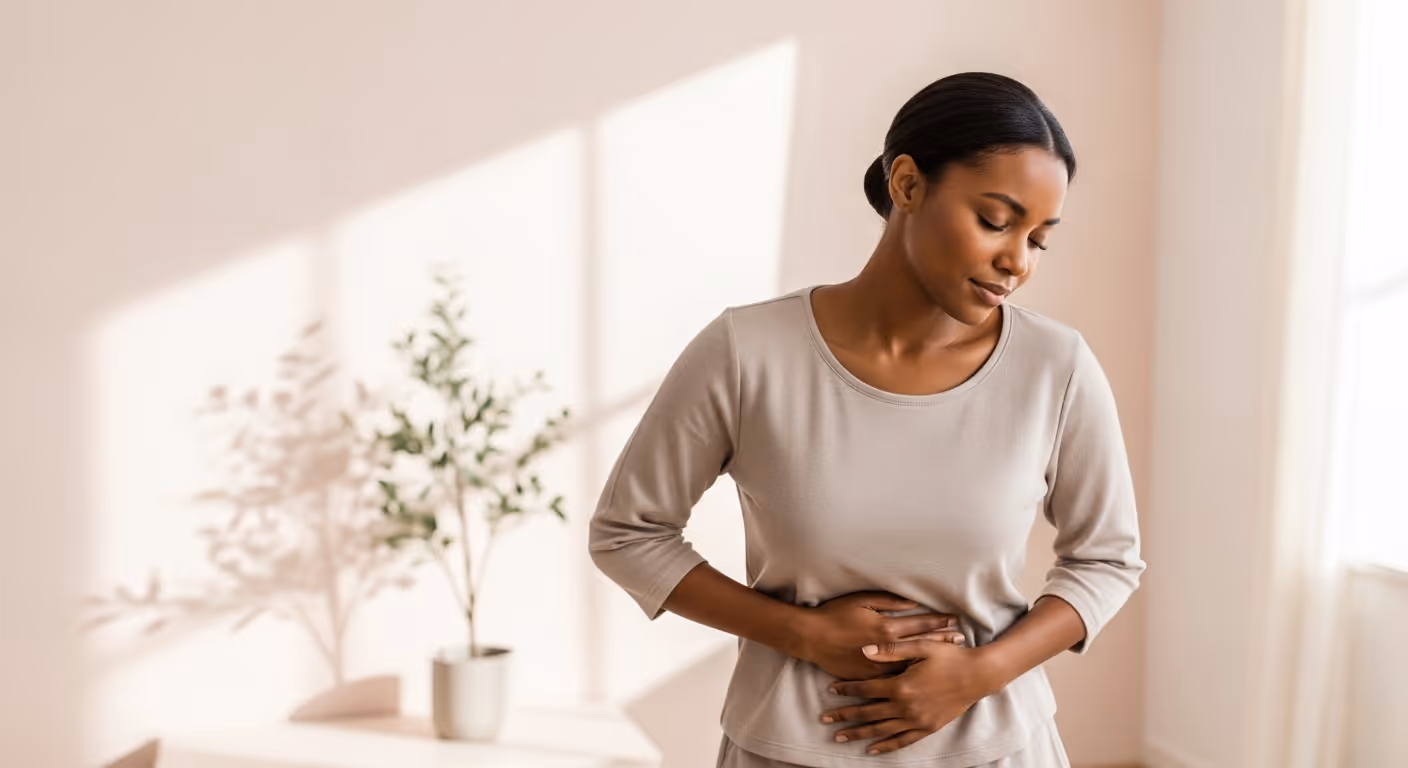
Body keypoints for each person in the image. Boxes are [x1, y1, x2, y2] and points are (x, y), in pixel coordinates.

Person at [588, 71, 1145, 768]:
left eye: (1038, 238)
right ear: (907, 185)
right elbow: (627, 534)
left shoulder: (1054, 366)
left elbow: (1107, 559)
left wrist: (979, 674)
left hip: (998, 749)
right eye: (996, 221)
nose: (1017, 262)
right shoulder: (747, 352)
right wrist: (802, 634)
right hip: (786, 750)